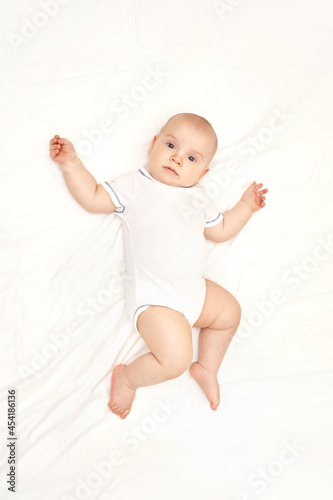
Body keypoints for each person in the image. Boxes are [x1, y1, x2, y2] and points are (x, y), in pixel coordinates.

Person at [49, 112, 268, 420]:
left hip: (195, 292)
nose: (177, 159)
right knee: (175, 360)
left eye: (191, 158)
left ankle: (207, 367)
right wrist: (71, 163)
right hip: (157, 301)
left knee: (230, 313)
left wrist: (246, 206)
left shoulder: (200, 198)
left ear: (202, 173)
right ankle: (127, 378)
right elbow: (94, 197)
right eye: (171, 146)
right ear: (153, 145)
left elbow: (220, 232)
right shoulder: (136, 186)